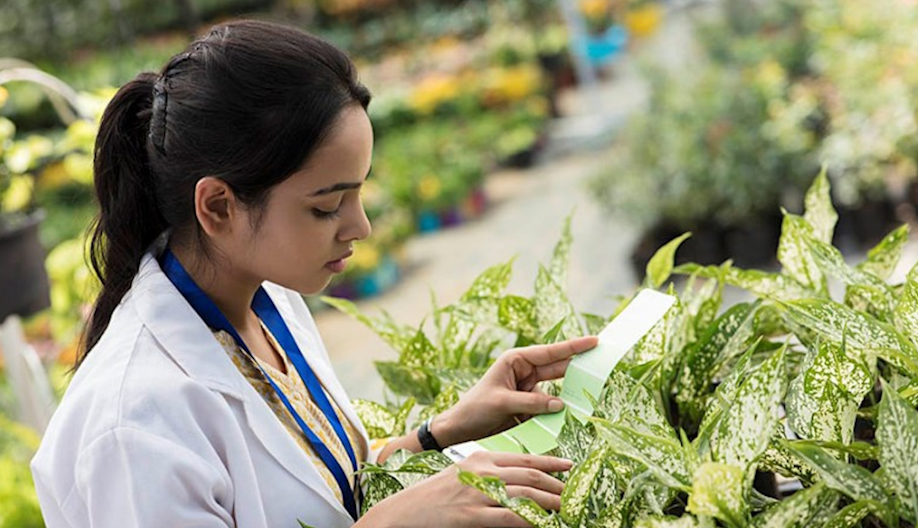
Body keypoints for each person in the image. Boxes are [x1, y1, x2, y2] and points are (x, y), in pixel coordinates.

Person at [31, 20, 599, 528]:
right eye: (326, 206)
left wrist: (440, 432)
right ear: (219, 207)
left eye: (358, 194)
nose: (361, 227)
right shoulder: (134, 425)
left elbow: (314, 492)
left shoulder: (266, 303)